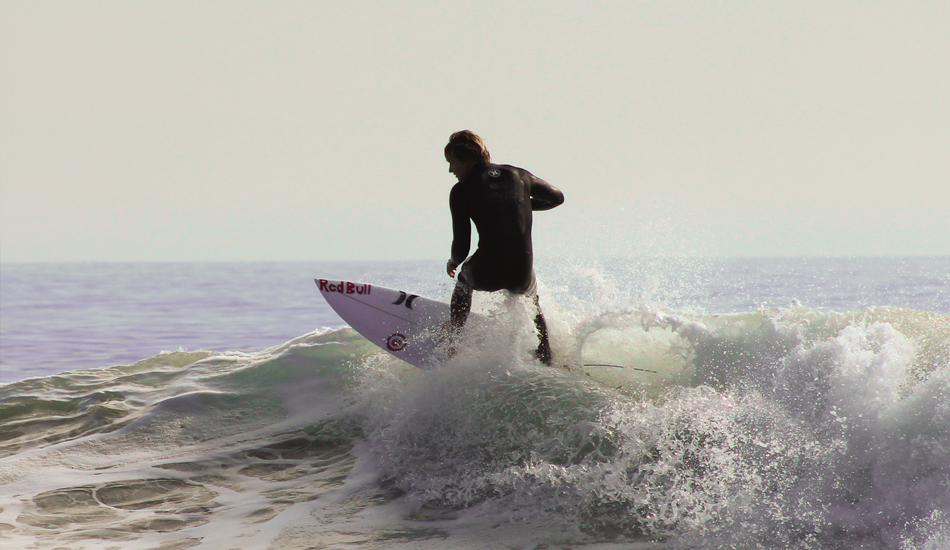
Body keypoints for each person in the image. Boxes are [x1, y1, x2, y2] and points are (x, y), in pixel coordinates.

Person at [441, 130, 564, 365]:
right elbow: (557, 198)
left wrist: (454, 262)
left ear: (465, 160)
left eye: (452, 163)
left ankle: (454, 337)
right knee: (531, 297)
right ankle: (545, 354)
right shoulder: (517, 175)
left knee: (464, 280)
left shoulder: (461, 190)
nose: (451, 170)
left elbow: (462, 246)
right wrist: (518, 205)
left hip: (487, 271)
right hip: (521, 272)